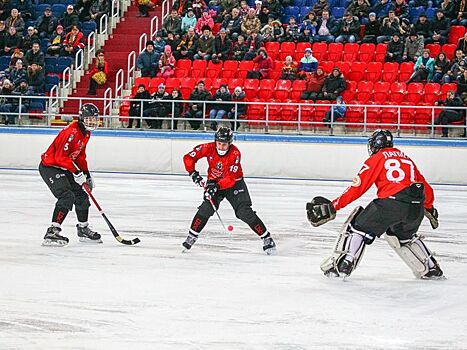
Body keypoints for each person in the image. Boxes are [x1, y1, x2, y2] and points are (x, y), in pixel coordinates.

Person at [306, 129, 444, 280]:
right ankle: (431, 268)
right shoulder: (407, 159)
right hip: (416, 207)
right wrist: (429, 208)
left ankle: (344, 264)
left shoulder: (377, 158)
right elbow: (427, 189)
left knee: (357, 228)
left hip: (391, 203)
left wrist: (333, 206)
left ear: (375, 144)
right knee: (403, 236)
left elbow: (357, 188)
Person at [182, 127, 277, 254]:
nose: (221, 147)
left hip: (235, 184)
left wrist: (216, 187)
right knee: (206, 208)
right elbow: (188, 157)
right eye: (219, 143)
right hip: (214, 183)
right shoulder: (207, 147)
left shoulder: (235, 153)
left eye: (224, 144)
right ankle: (192, 235)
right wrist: (192, 173)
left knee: (244, 212)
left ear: (230, 143)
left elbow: (230, 179)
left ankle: (267, 238)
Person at [39, 104, 102, 246]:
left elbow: (80, 156)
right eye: (88, 119)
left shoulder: (86, 133)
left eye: (94, 119)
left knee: (81, 194)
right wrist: (76, 172)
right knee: (67, 195)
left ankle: (83, 228)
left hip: (65, 166)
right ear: (81, 118)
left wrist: (86, 175)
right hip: (51, 167)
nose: (92, 122)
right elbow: (61, 157)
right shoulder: (71, 132)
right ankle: (53, 231)